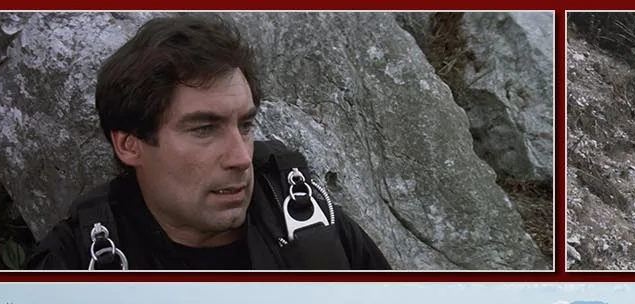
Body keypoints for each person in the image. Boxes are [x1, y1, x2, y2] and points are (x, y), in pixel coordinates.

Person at [29, 14, 390, 271]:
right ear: (129, 145)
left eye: (245, 125)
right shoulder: (75, 263)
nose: (240, 157)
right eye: (204, 129)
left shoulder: (304, 216)